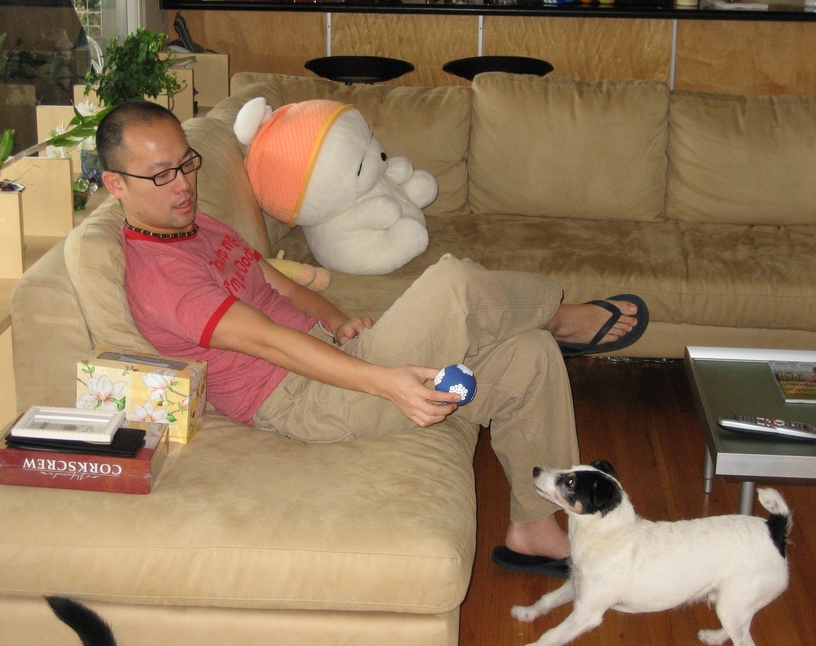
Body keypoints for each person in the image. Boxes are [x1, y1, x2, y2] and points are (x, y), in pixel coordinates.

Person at [97, 100, 646, 576]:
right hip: (299, 399)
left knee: (530, 355)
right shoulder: (161, 275)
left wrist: (339, 321)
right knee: (455, 285)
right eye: (161, 174)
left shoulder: (198, 226)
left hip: (330, 355)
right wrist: (387, 383)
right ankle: (559, 317)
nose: (184, 184)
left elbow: (279, 284)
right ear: (116, 183)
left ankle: (534, 529)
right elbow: (268, 342)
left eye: (186, 163)